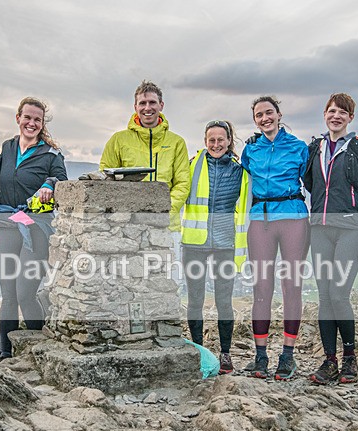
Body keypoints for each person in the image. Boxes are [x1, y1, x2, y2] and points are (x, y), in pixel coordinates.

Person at [304, 93, 358, 385]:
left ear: (351, 118)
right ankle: (329, 361)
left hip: (351, 229)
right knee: (324, 297)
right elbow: (310, 186)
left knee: (338, 294)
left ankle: (349, 358)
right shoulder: (315, 148)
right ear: (324, 114)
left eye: (342, 112)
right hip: (320, 230)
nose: (336, 116)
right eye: (331, 111)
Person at [0, 97, 67, 358]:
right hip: (5, 226)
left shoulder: (51, 154)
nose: (31, 123)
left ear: (42, 124)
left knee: (25, 293)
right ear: (18, 118)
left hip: (36, 229)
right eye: (27, 117)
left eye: (37, 119)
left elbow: (63, 180)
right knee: (8, 295)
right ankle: (5, 354)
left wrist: (50, 183)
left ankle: (40, 350)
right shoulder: (7, 148)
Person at [240, 96, 310, 381]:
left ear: (279, 115)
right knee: (262, 288)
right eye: (259, 114)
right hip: (261, 220)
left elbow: (313, 182)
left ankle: (287, 356)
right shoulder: (251, 150)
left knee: (291, 285)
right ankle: (260, 356)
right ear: (255, 120)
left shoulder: (299, 147)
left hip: (293, 218)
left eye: (269, 112)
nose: (265, 118)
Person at [182, 120, 249, 374]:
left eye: (221, 140)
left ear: (229, 141)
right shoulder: (191, 166)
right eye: (211, 140)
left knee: (224, 300)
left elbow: (243, 210)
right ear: (205, 141)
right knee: (195, 299)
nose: (216, 144)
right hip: (194, 242)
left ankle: (225, 354)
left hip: (225, 244)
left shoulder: (239, 171)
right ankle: (198, 351)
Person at [99, 80, 190, 233]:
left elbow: (182, 184)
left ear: (161, 105)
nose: (147, 108)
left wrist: (164, 211)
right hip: (128, 227)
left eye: (152, 102)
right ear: (135, 107)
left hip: (167, 226)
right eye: (142, 103)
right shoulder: (118, 140)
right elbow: (105, 177)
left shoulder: (177, 142)